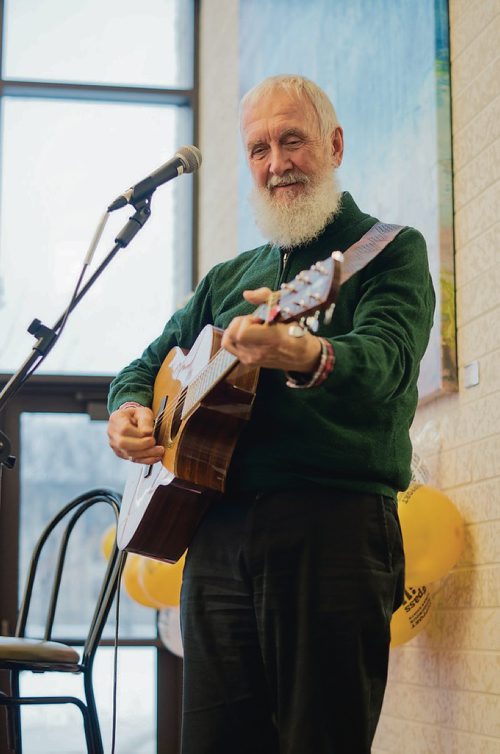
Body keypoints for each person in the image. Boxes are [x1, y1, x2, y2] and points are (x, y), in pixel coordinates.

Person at [107, 75, 435, 754]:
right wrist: (131, 409)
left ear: (334, 145)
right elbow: (143, 364)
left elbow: (388, 361)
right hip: (216, 533)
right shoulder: (228, 279)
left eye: (293, 140)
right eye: (259, 148)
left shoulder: (387, 252)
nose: (276, 162)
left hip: (333, 528)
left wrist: (303, 350)